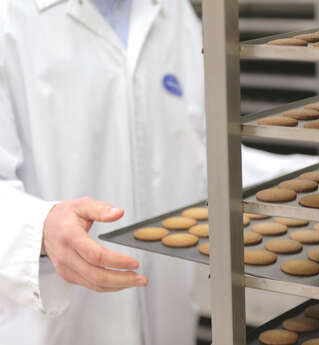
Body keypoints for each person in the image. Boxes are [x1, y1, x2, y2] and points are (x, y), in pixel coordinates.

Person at [0, 0, 207, 344]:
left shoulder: (176, 11)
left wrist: (311, 173)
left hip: (168, 324)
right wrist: (39, 228)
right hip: (55, 328)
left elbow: (202, 155)